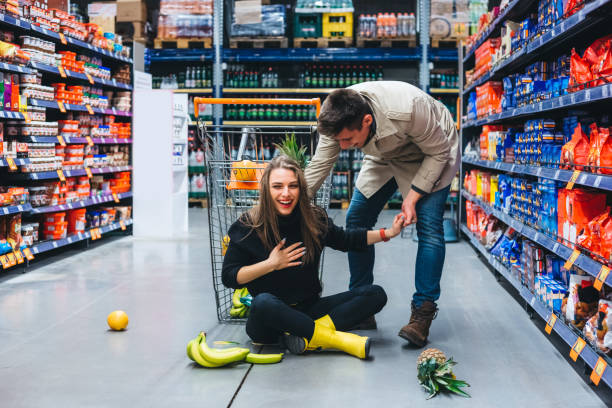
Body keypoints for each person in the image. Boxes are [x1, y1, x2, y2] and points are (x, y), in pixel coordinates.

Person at [304, 81, 459, 347]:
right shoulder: (338, 118)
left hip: (430, 151)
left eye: (348, 140)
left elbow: (438, 152)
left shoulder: (409, 108)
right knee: (356, 219)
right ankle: (361, 307)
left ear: (366, 121)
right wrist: (284, 205)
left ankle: (422, 314)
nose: (344, 145)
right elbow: (319, 165)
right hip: (382, 152)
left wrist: (412, 197)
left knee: (429, 228)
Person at [222, 155, 404, 359]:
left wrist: (387, 233)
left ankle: (307, 336)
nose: (285, 193)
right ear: (266, 189)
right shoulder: (249, 225)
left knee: (375, 294)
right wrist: (271, 264)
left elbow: (346, 239)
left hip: (308, 310)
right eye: (277, 186)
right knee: (263, 302)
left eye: (292, 186)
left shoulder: (313, 219)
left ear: (300, 189)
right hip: (268, 322)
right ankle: (333, 339)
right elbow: (229, 276)